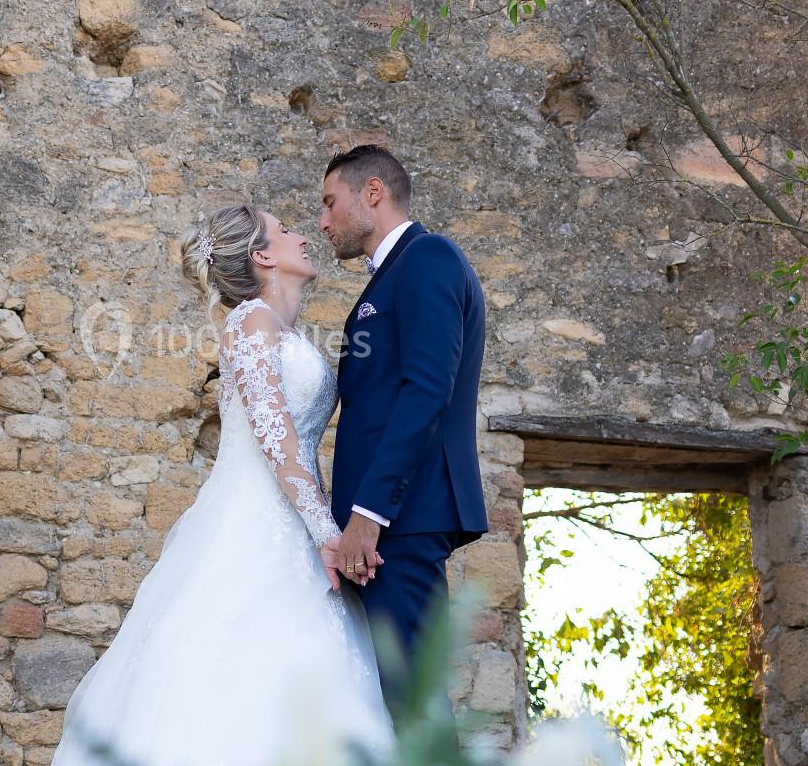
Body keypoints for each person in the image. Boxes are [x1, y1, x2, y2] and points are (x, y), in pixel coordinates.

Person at [50, 204, 394, 766]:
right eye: (285, 230)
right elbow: (274, 435)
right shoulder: (250, 322)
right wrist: (325, 530)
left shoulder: (280, 328)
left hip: (290, 523)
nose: (303, 235)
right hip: (258, 524)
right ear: (261, 256)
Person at [318, 144, 489, 704]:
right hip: (387, 525)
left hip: (402, 521)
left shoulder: (427, 257)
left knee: (415, 708)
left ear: (373, 193)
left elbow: (427, 389)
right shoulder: (388, 277)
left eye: (329, 202)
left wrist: (369, 516)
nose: (322, 221)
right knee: (393, 705)